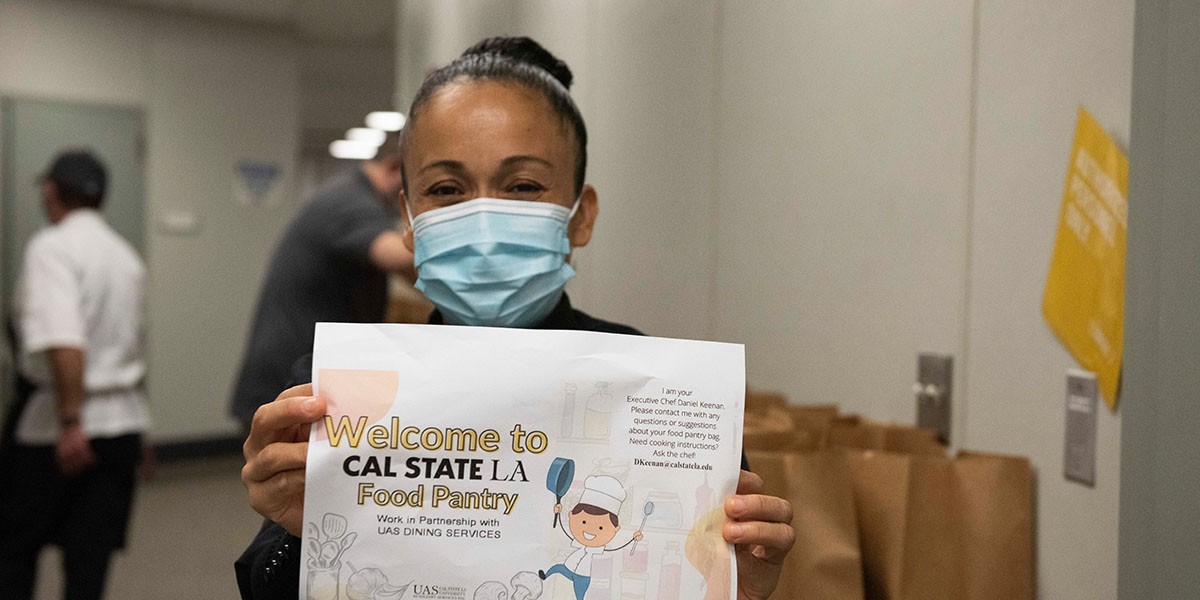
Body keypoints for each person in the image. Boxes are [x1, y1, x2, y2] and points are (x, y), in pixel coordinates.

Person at [236, 37, 794, 600]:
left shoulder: (664, 398)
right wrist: (297, 531)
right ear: (407, 220)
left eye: (523, 186)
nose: (482, 219)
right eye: (446, 189)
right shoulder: (337, 389)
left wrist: (735, 586)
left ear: (581, 217)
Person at [0, 150, 150, 600]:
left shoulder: (51, 247)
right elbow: (132, 348)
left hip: (61, 427)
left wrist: (70, 422)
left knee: (14, 547)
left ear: (50, 191)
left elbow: (65, 341)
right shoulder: (125, 256)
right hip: (121, 423)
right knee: (90, 554)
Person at [229, 137, 416, 428]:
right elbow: (402, 257)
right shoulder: (349, 201)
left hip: (297, 372)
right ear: (393, 167)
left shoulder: (346, 193)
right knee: (283, 471)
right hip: (291, 380)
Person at [542, 475, 644, 600]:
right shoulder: (576, 540)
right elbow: (563, 528)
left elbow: (618, 548)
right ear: (571, 515)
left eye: (600, 527)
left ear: (615, 529)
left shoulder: (599, 552)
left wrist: (634, 539)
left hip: (583, 574)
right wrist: (558, 511)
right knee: (557, 568)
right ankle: (544, 576)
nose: (589, 529)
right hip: (569, 567)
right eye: (583, 522)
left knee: (580, 592)